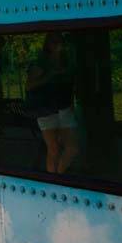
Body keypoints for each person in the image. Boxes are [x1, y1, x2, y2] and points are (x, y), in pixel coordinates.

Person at [25, 33, 79, 174]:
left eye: (61, 42)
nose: (59, 46)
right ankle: (55, 180)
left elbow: (70, 85)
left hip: (65, 107)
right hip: (46, 109)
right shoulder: (41, 63)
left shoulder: (67, 61)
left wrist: (72, 105)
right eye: (55, 42)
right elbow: (29, 86)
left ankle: (58, 176)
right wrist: (49, 76)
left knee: (72, 148)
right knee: (53, 148)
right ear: (48, 45)